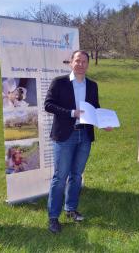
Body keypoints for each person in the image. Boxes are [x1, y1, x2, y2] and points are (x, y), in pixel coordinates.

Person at [44, 50, 112, 234]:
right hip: (65, 135)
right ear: (71, 63)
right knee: (60, 178)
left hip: (84, 136)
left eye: (84, 61)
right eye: (77, 60)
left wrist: (103, 122)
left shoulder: (92, 85)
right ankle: (53, 217)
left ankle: (70, 209)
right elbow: (48, 104)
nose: (80, 64)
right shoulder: (60, 82)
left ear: (88, 64)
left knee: (77, 176)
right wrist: (70, 113)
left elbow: (95, 108)